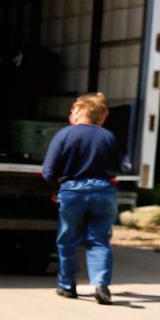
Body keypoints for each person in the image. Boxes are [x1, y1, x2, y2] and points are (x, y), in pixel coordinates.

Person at [41, 93, 122, 304]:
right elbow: (116, 168)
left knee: (67, 239)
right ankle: (101, 285)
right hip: (104, 191)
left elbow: (48, 171)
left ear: (79, 111)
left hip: (73, 191)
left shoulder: (65, 135)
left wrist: (55, 187)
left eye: (72, 110)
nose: (71, 114)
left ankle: (67, 285)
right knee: (99, 240)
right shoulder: (108, 137)